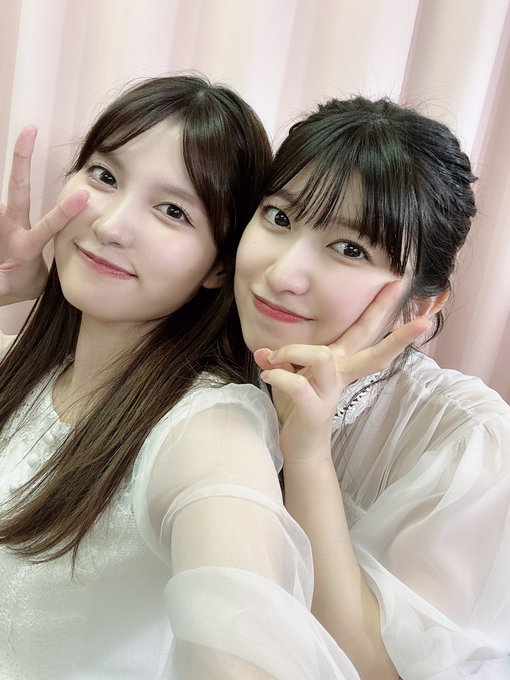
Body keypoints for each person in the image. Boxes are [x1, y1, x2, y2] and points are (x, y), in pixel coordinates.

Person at [0, 75, 373, 679]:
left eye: (172, 210)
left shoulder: (207, 430)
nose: (112, 225)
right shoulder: (18, 368)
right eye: (105, 176)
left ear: (220, 266)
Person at [236, 96, 510, 679]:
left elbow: (378, 670)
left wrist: (307, 454)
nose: (282, 275)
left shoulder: (467, 441)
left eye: (350, 249)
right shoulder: (200, 345)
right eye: (279, 218)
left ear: (421, 305)